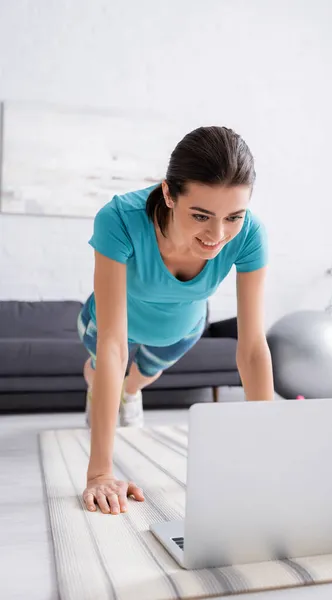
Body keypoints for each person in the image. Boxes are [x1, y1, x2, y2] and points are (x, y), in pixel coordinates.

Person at [78, 126, 274, 515]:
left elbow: (252, 348)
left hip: (180, 330)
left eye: (233, 216)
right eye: (200, 215)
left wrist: (268, 455)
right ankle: (100, 391)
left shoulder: (250, 234)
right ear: (168, 193)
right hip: (109, 325)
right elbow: (115, 345)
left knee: (134, 381)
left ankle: (127, 393)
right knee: (103, 371)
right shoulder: (119, 219)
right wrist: (100, 472)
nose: (217, 235)